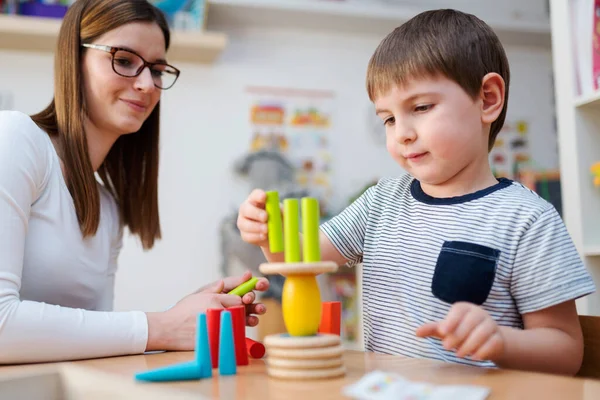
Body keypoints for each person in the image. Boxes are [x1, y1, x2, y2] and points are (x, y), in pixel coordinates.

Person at [237, 9, 596, 375]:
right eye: (389, 119)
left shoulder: (528, 219)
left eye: (421, 107)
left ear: (488, 99)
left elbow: (566, 350)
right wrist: (269, 230)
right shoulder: (382, 201)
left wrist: (503, 342)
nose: (402, 133)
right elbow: (301, 255)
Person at [0, 0, 268, 365]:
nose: (146, 85)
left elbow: (94, 341)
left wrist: (184, 317)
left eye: (157, 70)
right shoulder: (15, 139)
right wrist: (164, 326)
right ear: (73, 60)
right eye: (124, 60)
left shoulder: (107, 208)